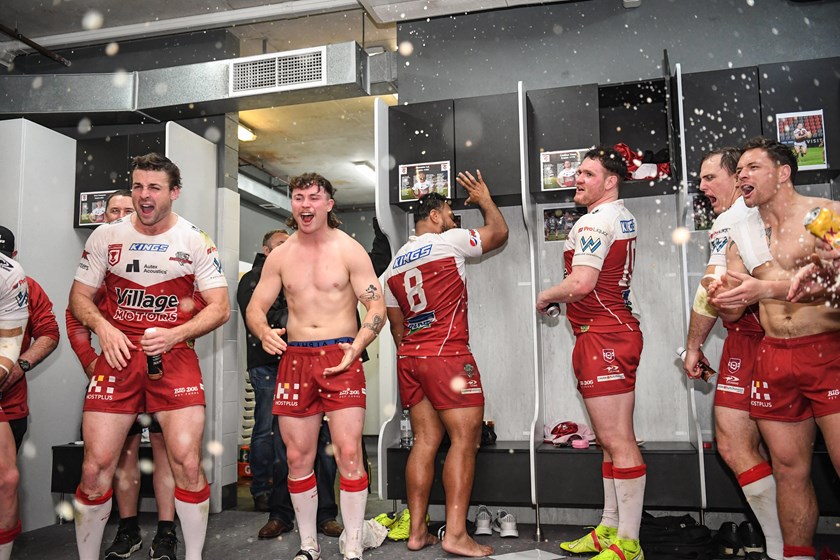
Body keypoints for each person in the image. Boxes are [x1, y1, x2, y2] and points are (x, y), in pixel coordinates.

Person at [69, 153, 230, 560]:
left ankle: (190, 554)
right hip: (118, 357)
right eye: (138, 186)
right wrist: (103, 327)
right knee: (94, 469)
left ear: (174, 193)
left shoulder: (195, 239)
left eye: (154, 187)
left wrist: (176, 334)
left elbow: (220, 308)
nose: (144, 195)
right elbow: (78, 299)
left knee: (187, 464)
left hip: (173, 357)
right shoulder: (105, 236)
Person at [708, 137, 840, 560]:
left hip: (827, 352)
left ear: (783, 173)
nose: (742, 176)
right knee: (787, 469)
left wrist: (766, 288)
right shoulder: (741, 230)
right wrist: (723, 297)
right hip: (774, 355)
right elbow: (733, 304)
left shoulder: (823, 215)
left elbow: (839, 283)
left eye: (753, 167)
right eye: (739, 170)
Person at [246, 172, 385, 560]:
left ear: (328, 204)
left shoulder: (349, 250)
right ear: (292, 204)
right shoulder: (281, 256)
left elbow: (375, 305)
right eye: (298, 197)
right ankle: (308, 545)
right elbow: (255, 307)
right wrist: (264, 331)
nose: (305, 205)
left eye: (313, 198)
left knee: (349, 453)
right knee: (296, 458)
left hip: (341, 357)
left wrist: (359, 343)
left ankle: (353, 543)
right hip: (296, 359)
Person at [383, 170, 509, 557]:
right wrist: (485, 200)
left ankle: (417, 532)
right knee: (465, 441)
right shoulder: (447, 241)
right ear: (434, 216)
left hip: (411, 357)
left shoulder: (394, 264)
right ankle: (455, 534)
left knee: (425, 441)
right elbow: (499, 233)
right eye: (451, 215)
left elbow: (397, 327)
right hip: (447, 354)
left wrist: (418, 354)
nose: (455, 222)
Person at [536, 147, 645, 560]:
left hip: (605, 336)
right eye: (578, 173)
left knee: (619, 440)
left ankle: (628, 543)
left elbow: (581, 283)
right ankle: (609, 530)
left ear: (611, 181)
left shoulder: (596, 221)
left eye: (588, 174)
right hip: (604, 333)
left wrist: (546, 295)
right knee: (609, 441)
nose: (577, 179)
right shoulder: (618, 215)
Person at [65, 189, 180, 560]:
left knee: (166, 452)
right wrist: (91, 362)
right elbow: (75, 316)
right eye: (113, 210)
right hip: (115, 376)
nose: (118, 216)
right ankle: (128, 530)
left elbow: (186, 310)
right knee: (119, 456)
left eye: (125, 210)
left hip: (161, 374)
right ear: (104, 217)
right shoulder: (99, 260)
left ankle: (166, 532)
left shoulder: (167, 252)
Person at [681, 149, 782, 560]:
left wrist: (693, 347)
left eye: (711, 177)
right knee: (764, 451)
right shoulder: (741, 218)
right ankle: (781, 545)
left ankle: (781, 546)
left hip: (762, 336)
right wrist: (695, 344)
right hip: (759, 337)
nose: (703, 187)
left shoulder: (734, 218)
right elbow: (713, 289)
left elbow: (719, 294)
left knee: (750, 448)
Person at [237, 228, 343, 539]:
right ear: (266, 250)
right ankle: (278, 511)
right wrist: (301, 313)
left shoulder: (321, 266)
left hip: (318, 363)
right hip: (274, 367)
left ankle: (325, 514)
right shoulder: (258, 277)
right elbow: (262, 315)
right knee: (279, 443)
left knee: (325, 442)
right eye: (281, 244)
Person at [0, 230, 31, 560]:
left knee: (7, 479)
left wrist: (13, 366)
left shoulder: (11, 276)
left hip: (9, 400)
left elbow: (11, 339)